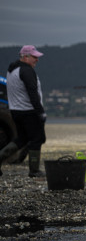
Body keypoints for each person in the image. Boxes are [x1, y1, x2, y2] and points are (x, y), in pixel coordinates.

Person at [0, 45, 47, 177]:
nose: (37, 59)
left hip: (16, 111)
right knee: (37, 139)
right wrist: (40, 112)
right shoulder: (27, 71)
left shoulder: (12, 70)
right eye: (34, 57)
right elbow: (32, 93)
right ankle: (34, 170)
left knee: (22, 139)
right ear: (25, 57)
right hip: (29, 111)